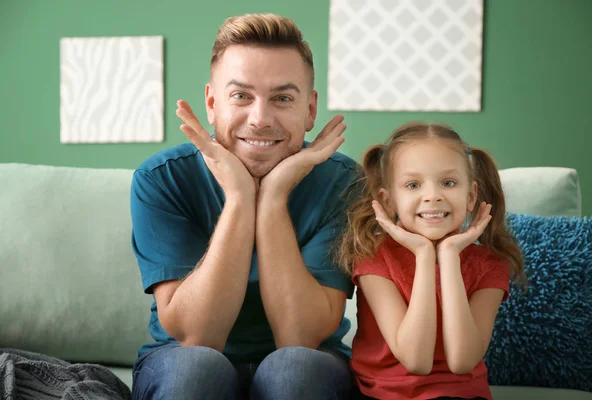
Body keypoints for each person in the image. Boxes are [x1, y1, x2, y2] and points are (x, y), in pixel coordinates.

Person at [129, 13, 359, 400]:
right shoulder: (161, 178)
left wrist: (272, 199)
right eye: (241, 96)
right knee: (196, 368)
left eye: (283, 98)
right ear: (212, 103)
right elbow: (197, 336)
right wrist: (239, 199)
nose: (260, 119)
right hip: (182, 361)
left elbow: (299, 337)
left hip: (309, 365)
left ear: (310, 110)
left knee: (295, 369)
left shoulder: (343, 183)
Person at [338, 123, 527, 400]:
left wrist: (449, 257)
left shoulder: (490, 264)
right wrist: (425, 256)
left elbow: (463, 361)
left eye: (448, 183)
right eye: (413, 185)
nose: (433, 196)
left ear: (471, 195)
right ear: (388, 201)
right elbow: (416, 360)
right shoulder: (374, 258)